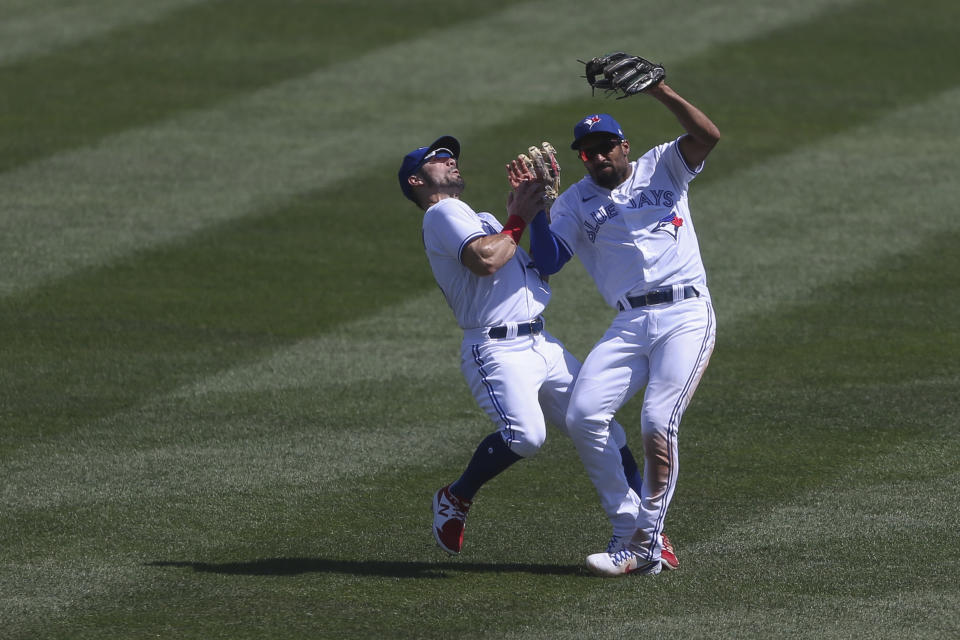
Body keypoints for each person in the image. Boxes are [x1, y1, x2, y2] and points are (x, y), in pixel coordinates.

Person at [398, 135, 649, 556]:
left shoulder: (479, 216)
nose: (450, 161)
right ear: (416, 181)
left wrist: (537, 212)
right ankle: (456, 495)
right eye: (438, 159)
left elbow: (539, 271)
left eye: (452, 155)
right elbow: (486, 259)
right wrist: (517, 216)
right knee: (526, 436)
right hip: (496, 350)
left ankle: (647, 531)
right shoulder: (442, 213)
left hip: (541, 343)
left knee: (600, 425)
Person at [508, 79, 720, 576]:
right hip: (629, 321)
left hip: (685, 314)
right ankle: (628, 529)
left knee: (656, 422)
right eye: (587, 152)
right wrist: (536, 212)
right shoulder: (575, 202)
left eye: (605, 146)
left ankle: (647, 545)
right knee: (583, 416)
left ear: (624, 145)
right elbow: (550, 260)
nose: (598, 157)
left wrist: (660, 90)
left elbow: (707, 136)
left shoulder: (662, 164)